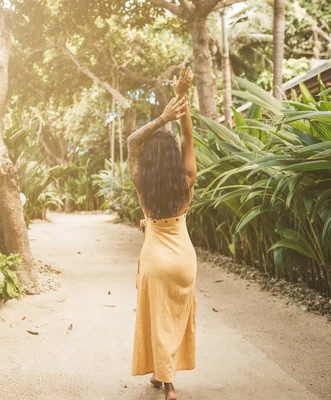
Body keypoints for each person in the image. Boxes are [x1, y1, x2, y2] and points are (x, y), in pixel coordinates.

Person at [128, 66, 197, 400]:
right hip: (184, 260)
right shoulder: (186, 181)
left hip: (155, 260)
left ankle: (166, 383)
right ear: (171, 159)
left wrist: (161, 118)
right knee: (175, 317)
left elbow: (132, 141)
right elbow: (187, 138)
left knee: (157, 319)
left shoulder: (142, 185)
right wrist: (182, 98)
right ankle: (165, 379)